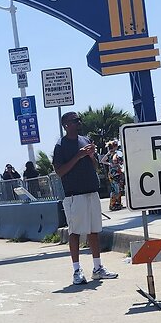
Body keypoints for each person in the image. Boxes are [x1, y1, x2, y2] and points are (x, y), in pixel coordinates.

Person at [53, 111, 119, 285]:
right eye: (75, 120)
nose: (78, 122)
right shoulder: (61, 145)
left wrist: (90, 155)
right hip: (74, 195)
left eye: (78, 119)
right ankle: (76, 270)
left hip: (91, 191)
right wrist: (78, 156)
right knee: (74, 232)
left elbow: (96, 166)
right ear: (66, 124)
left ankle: (98, 268)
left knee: (94, 230)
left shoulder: (86, 140)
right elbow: (59, 171)